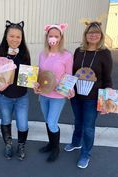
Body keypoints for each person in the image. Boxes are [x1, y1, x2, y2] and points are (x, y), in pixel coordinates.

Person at [64, 21, 113, 168]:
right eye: (90, 32)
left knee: (89, 127)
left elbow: (107, 78)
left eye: (96, 33)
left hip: (92, 98)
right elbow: (71, 73)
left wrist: (107, 98)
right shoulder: (79, 51)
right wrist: (67, 87)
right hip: (76, 96)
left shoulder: (104, 53)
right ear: (85, 35)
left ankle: (86, 154)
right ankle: (76, 142)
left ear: (101, 35)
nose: (93, 35)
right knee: (78, 121)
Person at [0, 20, 31, 160]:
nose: (14, 39)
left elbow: (28, 75)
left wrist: (34, 83)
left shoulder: (24, 53)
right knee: (6, 120)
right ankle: (8, 145)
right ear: (6, 36)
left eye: (18, 37)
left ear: (22, 38)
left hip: (21, 96)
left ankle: (21, 145)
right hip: (3, 96)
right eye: (11, 36)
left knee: (23, 123)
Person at [34, 23, 74, 162]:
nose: (53, 38)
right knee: (47, 120)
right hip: (44, 94)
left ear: (61, 38)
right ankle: (50, 144)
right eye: (51, 35)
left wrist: (70, 89)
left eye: (56, 36)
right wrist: (36, 84)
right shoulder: (42, 54)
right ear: (47, 37)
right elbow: (39, 74)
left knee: (52, 122)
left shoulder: (67, 55)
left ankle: (56, 148)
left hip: (57, 96)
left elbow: (69, 75)